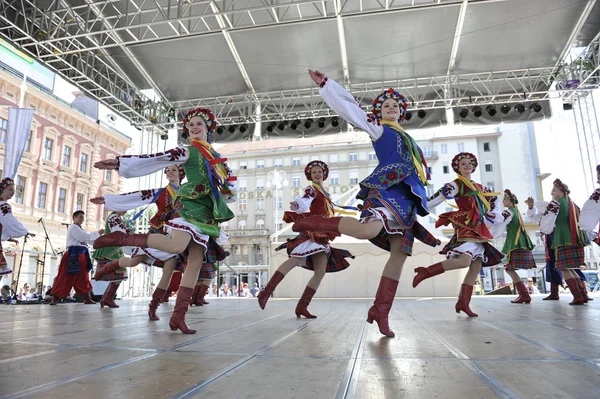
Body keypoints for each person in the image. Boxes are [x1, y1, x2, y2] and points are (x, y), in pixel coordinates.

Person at [292, 70, 439, 337]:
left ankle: (380, 312)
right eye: (386, 105)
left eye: (395, 106)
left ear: (401, 112)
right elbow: (352, 110)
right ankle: (313, 221)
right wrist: (328, 86)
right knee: (367, 231)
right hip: (386, 190)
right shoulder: (379, 129)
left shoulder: (409, 141)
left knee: (400, 256)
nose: (391, 108)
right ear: (380, 111)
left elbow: (419, 176)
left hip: (406, 200)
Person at [92, 107, 235, 333]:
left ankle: (178, 317)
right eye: (191, 125)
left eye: (199, 123)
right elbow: (156, 159)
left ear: (208, 127)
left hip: (206, 211)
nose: (195, 127)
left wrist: (226, 193)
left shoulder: (215, 156)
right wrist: (121, 163)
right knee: (176, 247)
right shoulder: (187, 151)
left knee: (195, 262)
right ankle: (124, 238)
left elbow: (225, 184)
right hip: (188, 208)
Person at [258, 160, 354, 318]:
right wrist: (297, 205)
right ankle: (266, 292)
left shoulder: (325, 193)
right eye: (314, 172)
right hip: (313, 230)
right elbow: (305, 200)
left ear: (324, 175)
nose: (317, 174)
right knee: (295, 259)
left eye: (320, 172)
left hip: (323, 232)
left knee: (320, 271)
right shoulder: (312, 189)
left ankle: (302, 306)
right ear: (310, 175)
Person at [412, 152, 503, 317]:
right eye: (463, 164)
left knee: (475, 266)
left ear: (473, 166)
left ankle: (463, 303)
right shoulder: (456, 185)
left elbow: (494, 200)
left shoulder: (481, 187)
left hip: (479, 227)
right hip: (466, 224)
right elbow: (438, 197)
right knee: (464, 261)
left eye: (469, 163)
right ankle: (426, 272)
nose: (467, 165)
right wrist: (420, 206)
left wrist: (494, 213)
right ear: (458, 168)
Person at [526, 179, 589, 305]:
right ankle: (582, 295)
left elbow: (545, 211)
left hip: (562, 237)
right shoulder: (571, 203)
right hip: (573, 237)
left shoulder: (557, 203)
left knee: (563, 267)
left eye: (554, 190)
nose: (552, 192)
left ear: (561, 191)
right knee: (568, 267)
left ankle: (578, 296)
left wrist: (534, 204)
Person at [490, 190, 536, 304]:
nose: (503, 201)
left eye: (505, 199)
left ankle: (524, 294)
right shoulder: (516, 210)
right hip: (520, 241)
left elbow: (500, 222)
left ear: (510, 202)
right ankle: (524, 294)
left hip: (515, 242)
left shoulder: (509, 211)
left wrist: (489, 234)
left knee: (509, 268)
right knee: (509, 268)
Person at [50, 211, 104, 305]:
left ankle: (87, 298)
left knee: (83, 277)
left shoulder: (80, 229)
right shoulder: (73, 227)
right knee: (66, 276)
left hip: (82, 255)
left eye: (83, 218)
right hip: (73, 254)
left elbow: (88, 240)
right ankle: (55, 298)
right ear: (74, 218)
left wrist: (100, 239)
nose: (82, 219)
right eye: (80, 217)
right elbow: (85, 237)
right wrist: (98, 233)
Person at [91, 211, 131, 308]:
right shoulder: (114, 217)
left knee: (119, 275)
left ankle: (106, 298)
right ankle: (107, 298)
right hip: (111, 250)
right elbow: (122, 231)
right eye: (124, 208)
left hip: (113, 249)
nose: (126, 211)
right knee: (121, 273)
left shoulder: (114, 217)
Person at [0, 178, 35, 277]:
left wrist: (10, 238)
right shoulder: (3, 205)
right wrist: (24, 231)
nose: (13, 193)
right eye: (10, 190)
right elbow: (9, 221)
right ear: (3, 190)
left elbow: (4, 225)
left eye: (14, 191)